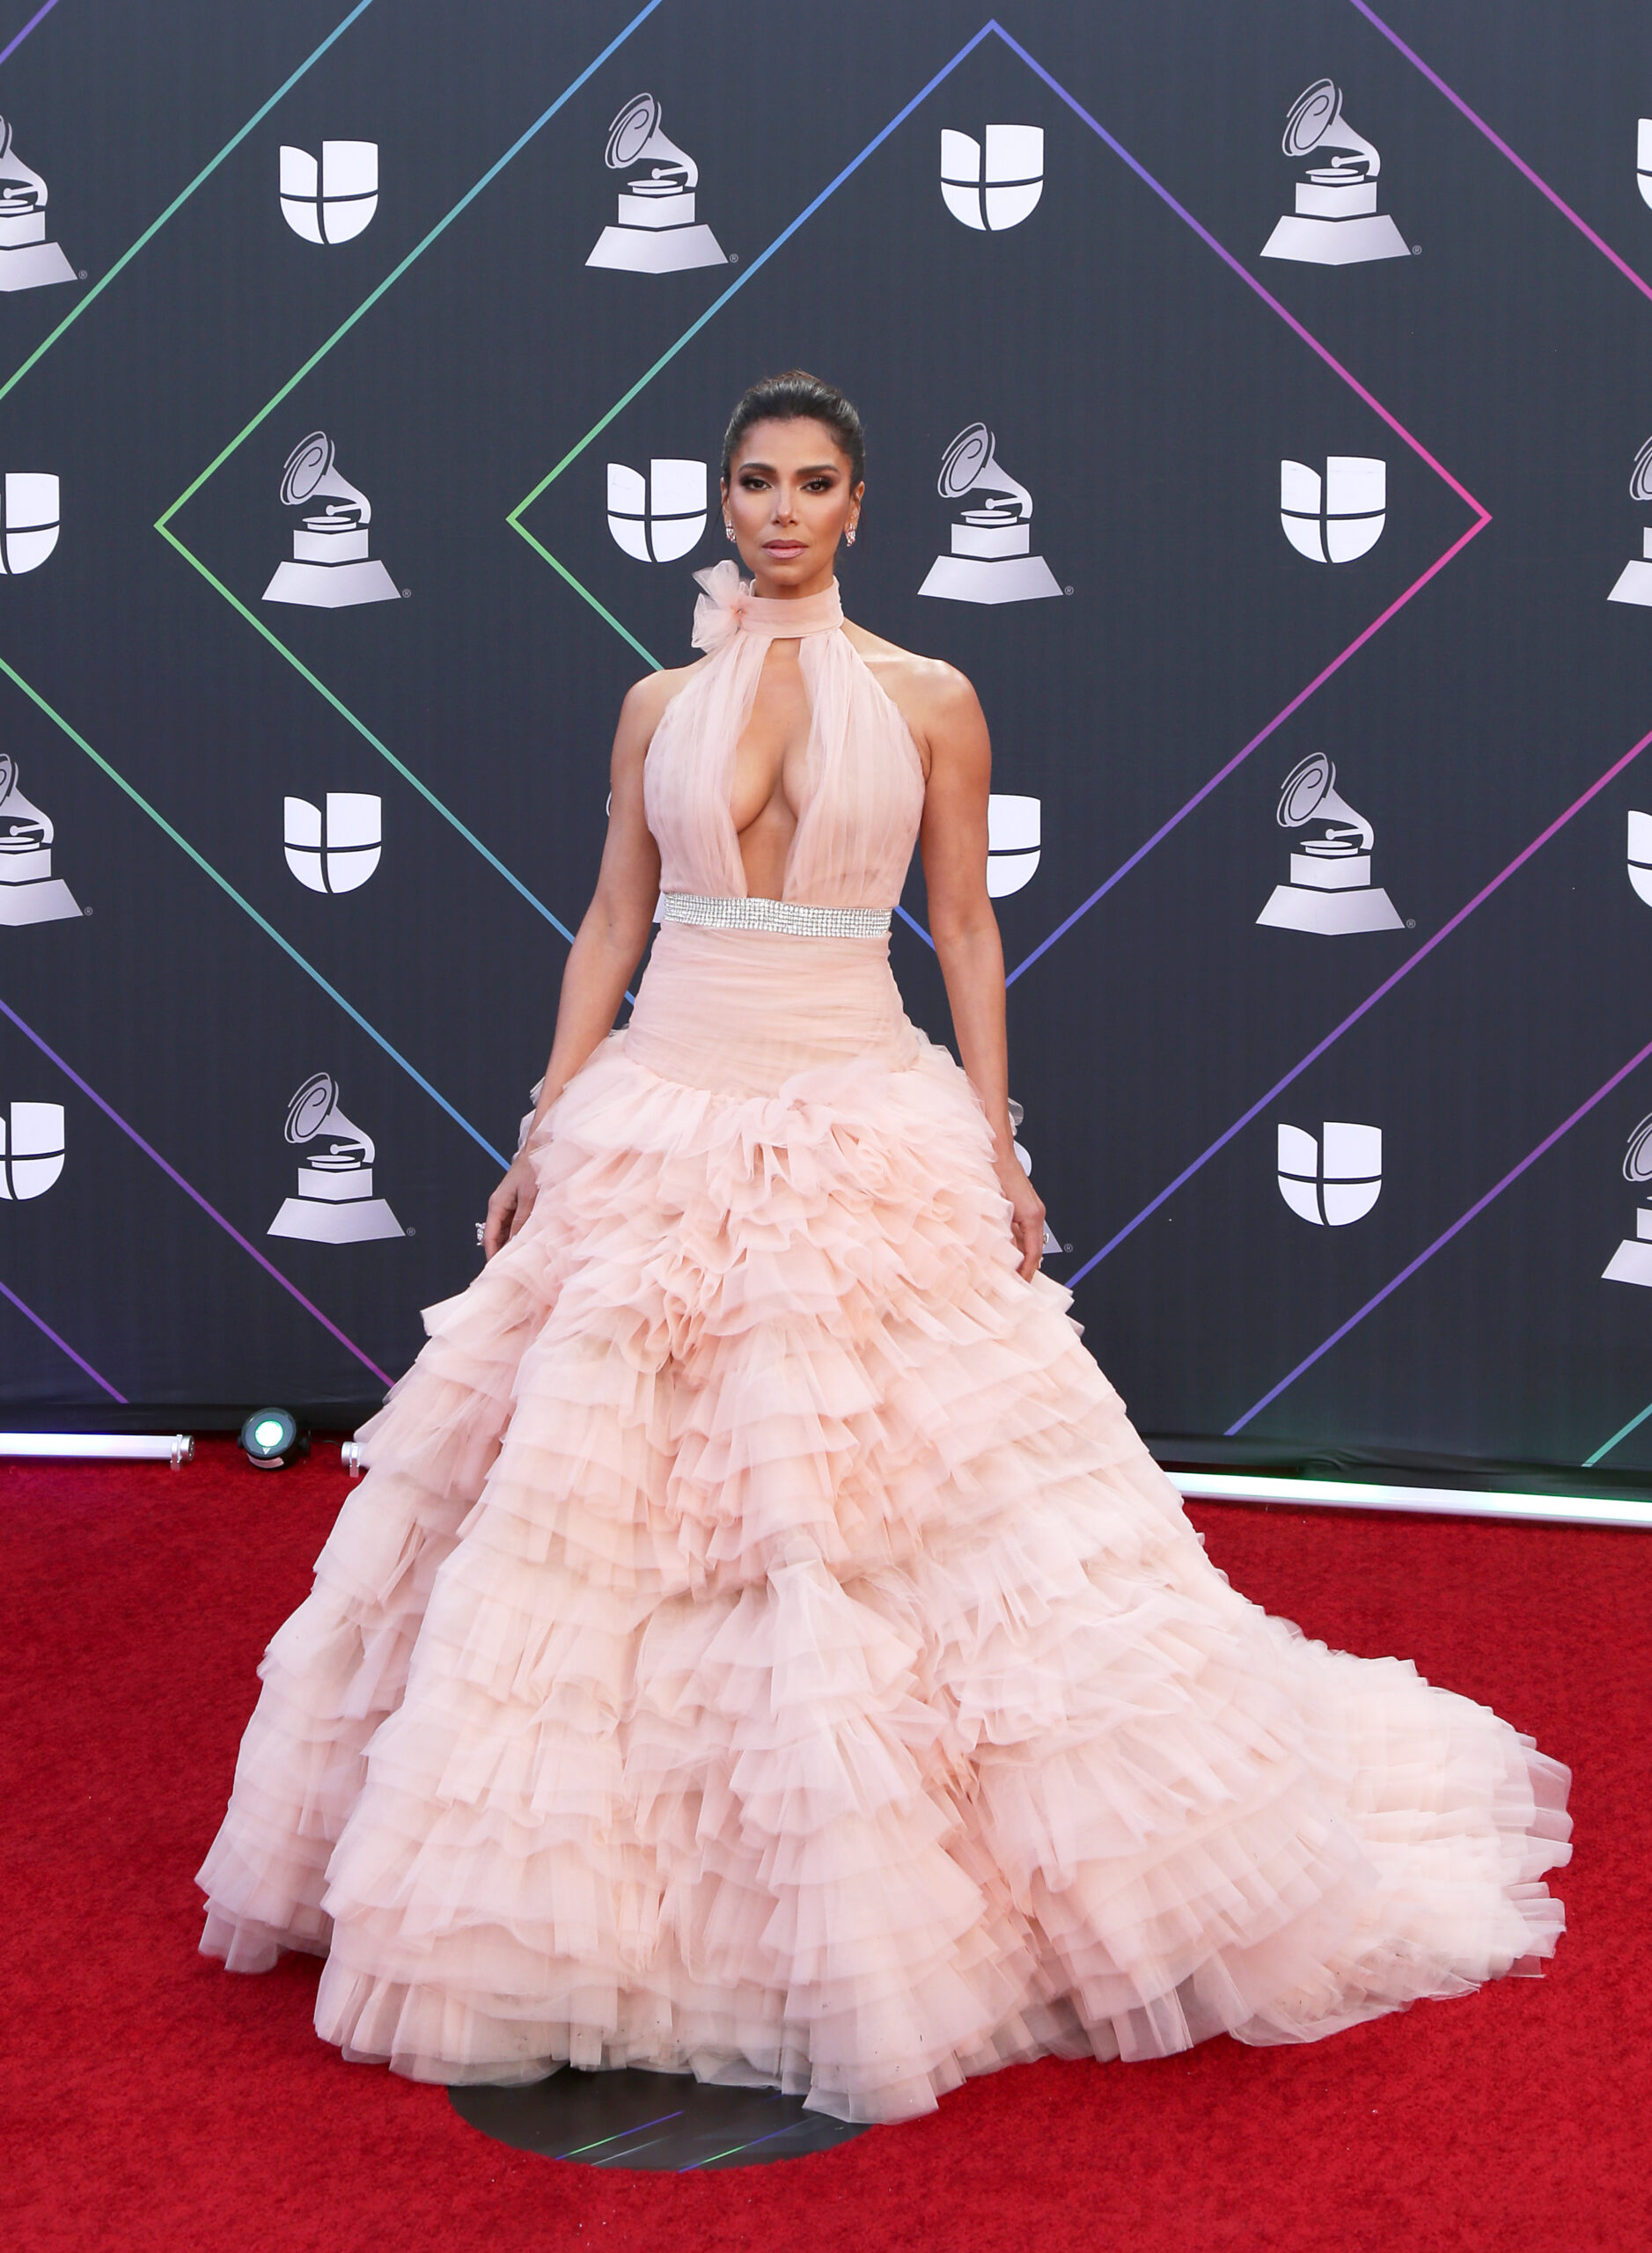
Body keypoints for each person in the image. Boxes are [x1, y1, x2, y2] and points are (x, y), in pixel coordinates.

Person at [199, 371, 1571, 2126]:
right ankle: (606, 1909)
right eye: (757, 480)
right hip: (662, 1098)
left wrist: (997, 1144)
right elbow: (613, 913)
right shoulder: (653, 705)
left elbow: (967, 924)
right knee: (601, 1510)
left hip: (859, 1097)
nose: (782, 509)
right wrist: (544, 1123)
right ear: (724, 499)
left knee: (872, 1512)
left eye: (816, 481)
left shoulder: (934, 699)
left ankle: (895, 1902)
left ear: (863, 505)